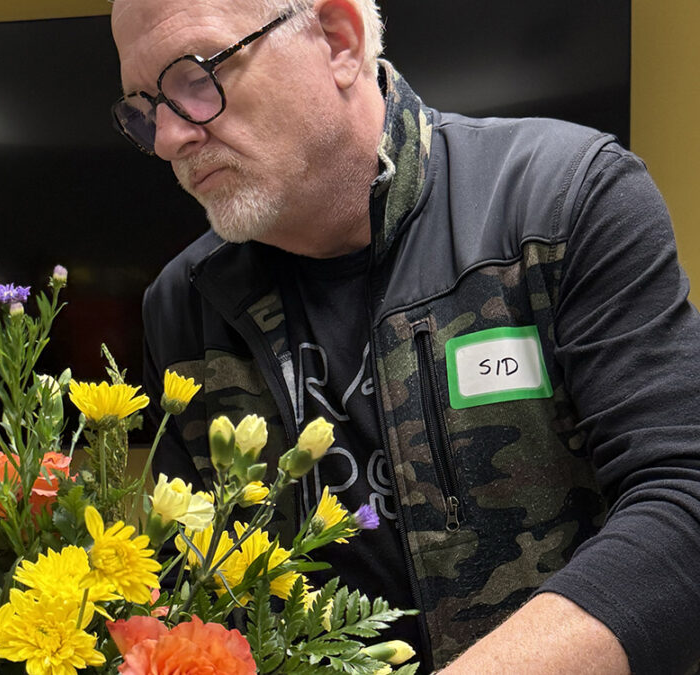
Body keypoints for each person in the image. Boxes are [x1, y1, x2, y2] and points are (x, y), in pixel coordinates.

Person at [110, 0, 700, 673]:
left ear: (336, 39)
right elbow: (200, 595)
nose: (165, 137)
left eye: (194, 76)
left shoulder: (562, 200)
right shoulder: (183, 304)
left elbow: (683, 504)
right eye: (144, 105)